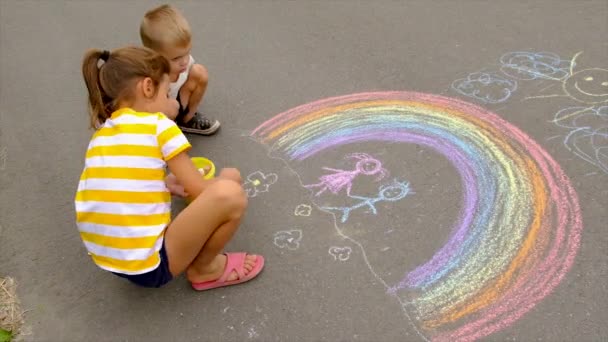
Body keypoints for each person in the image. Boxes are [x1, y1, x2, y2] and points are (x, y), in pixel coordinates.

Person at [76, 46, 264, 289]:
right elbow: (200, 191)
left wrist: (164, 184)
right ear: (147, 88)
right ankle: (205, 269)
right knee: (231, 191)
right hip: (152, 267)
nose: (171, 102)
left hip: (108, 260)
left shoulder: (102, 135)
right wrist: (227, 180)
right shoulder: (158, 125)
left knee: (222, 187)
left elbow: (121, 182)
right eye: (167, 94)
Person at [140, 4, 220, 135]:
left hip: (177, 103)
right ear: (154, 56)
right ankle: (165, 131)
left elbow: (193, 72)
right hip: (158, 114)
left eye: (187, 53)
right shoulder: (150, 76)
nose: (184, 61)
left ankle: (187, 118)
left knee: (200, 72)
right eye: (176, 58)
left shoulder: (184, 62)